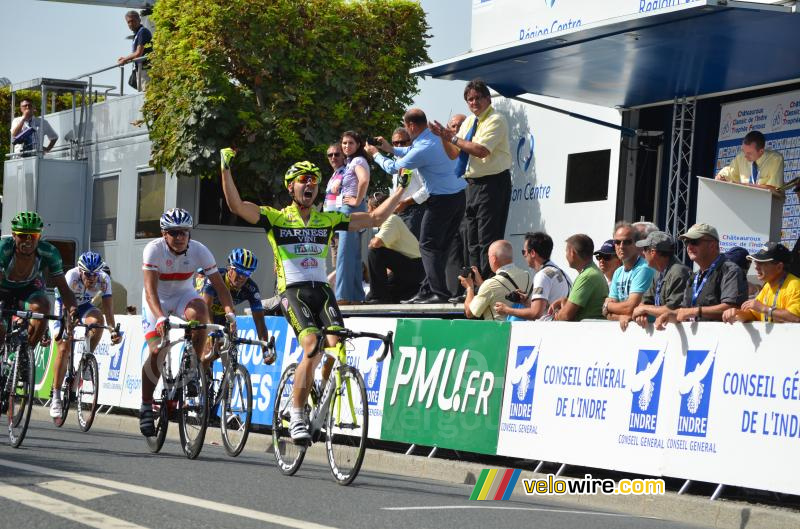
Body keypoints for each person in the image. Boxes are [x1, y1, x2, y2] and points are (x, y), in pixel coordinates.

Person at [219, 149, 407, 441]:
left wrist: (401, 189)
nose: (309, 185)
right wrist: (226, 169)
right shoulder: (276, 218)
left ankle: (317, 390)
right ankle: (295, 414)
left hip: (322, 291)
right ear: (290, 187)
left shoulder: (327, 219)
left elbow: (374, 217)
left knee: (337, 344)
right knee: (312, 346)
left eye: (314, 182)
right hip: (293, 292)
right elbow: (236, 205)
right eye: (303, 180)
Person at [139, 208, 237, 437]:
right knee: (157, 350)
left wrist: (230, 313)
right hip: (157, 300)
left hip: (183, 294)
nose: (180, 237)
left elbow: (220, 287)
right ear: (164, 234)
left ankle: (193, 368)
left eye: (184, 232)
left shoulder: (199, 250)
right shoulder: (153, 250)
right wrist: (161, 317)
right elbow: (150, 290)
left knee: (201, 313)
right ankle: (145, 405)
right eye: (174, 233)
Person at [365, 108, 466, 304]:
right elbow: (408, 151)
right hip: (458, 198)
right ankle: (430, 289)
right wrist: (390, 149)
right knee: (439, 247)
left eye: (405, 126)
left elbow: (394, 167)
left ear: (411, 125)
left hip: (441, 201)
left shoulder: (422, 148)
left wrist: (376, 154)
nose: (405, 130)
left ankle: (436, 292)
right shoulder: (433, 137)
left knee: (427, 245)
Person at [429, 79, 512, 280]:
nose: (473, 102)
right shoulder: (468, 122)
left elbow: (481, 150)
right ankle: (475, 283)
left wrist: (453, 138)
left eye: (477, 98)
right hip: (471, 185)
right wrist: (443, 137)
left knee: (487, 238)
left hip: (492, 183)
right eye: (469, 99)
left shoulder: (496, 119)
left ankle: (488, 283)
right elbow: (454, 154)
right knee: (471, 240)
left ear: (487, 98)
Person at [50, 252, 122, 418]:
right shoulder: (71, 276)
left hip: (84, 306)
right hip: (65, 306)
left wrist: (113, 330)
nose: (91, 278)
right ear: (80, 271)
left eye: (95, 274)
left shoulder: (104, 280)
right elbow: (63, 305)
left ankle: (87, 357)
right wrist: (67, 327)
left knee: (98, 321)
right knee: (63, 348)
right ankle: (55, 396)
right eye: (88, 275)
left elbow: (108, 310)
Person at [0, 212, 77, 348]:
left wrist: (73, 310)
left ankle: (26, 354)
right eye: (23, 235)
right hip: (3, 288)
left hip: (28, 289)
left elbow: (64, 289)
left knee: (43, 307)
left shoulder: (49, 252)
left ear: (39, 236)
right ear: (13, 235)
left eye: (33, 236)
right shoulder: (3, 248)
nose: (28, 241)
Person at [654, 223, 747, 329]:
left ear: (712, 245)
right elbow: (685, 311)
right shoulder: (694, 277)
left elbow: (731, 308)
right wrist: (670, 315)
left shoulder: (730, 270)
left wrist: (695, 311)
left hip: (722, 340)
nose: (689, 246)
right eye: (687, 242)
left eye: (694, 242)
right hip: (698, 341)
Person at [495, 232, 570, 321]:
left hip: (549, 331)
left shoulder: (542, 276)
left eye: (524, 252)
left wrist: (507, 310)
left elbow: (536, 313)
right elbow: (545, 309)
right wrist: (526, 301)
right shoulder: (560, 272)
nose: (524, 255)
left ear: (533, 253)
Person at [365, 192, 425, 304]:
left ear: (376, 208)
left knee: (374, 252)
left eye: (369, 208)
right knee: (370, 297)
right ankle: (408, 292)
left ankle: (379, 297)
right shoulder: (390, 220)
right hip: (411, 271)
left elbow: (376, 244)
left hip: (414, 268)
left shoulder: (391, 219)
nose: (368, 212)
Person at [723, 242, 800, 323]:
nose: (756, 267)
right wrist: (736, 313)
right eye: (756, 262)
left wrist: (764, 309)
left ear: (779, 267)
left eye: (762, 263)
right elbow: (753, 315)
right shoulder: (768, 286)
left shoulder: (796, 285)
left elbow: (796, 317)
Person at [335, 131, 371, 304]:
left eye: (350, 143)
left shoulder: (357, 161)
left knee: (344, 254)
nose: (346, 146)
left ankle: (342, 296)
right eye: (344, 143)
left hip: (350, 209)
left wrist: (357, 200)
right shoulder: (350, 162)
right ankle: (356, 296)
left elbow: (364, 180)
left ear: (358, 145)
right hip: (350, 208)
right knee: (353, 255)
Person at [628, 232, 690, 330]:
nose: (643, 253)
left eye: (645, 249)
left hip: (682, 335)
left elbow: (671, 310)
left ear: (653, 252)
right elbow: (644, 303)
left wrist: (644, 310)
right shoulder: (658, 272)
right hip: (667, 332)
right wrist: (642, 314)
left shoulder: (678, 272)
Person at [459, 240, 530, 321]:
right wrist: (481, 284)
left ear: (493, 259)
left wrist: (469, 288)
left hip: (498, 332)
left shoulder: (489, 285)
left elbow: (469, 312)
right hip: (522, 330)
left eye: (488, 256)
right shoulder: (527, 275)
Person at [603, 222, 656, 322]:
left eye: (627, 242)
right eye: (617, 242)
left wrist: (608, 305)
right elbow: (606, 313)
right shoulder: (618, 272)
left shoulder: (644, 268)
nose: (621, 246)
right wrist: (619, 317)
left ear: (637, 244)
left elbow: (629, 308)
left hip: (650, 332)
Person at [548, 234, 608, 321]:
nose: (566, 255)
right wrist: (565, 301)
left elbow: (566, 315)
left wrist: (556, 315)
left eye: (566, 251)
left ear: (572, 252)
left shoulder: (587, 276)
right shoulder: (591, 272)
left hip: (587, 331)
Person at [389, 128, 429, 239]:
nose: (399, 145)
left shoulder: (416, 161)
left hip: (416, 209)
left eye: (403, 142)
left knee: (413, 249)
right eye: (395, 143)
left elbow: (428, 187)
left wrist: (407, 202)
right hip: (400, 211)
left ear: (410, 141)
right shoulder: (396, 162)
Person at [715, 131, 784, 190]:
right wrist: (721, 177)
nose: (745, 156)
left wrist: (742, 186)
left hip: (767, 202)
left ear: (761, 151)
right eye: (744, 151)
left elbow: (773, 189)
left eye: (749, 153)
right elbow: (729, 172)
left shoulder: (775, 159)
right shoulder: (740, 157)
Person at [118, 10, 153, 91]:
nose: (131, 24)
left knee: (145, 95)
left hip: (145, 69)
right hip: (140, 70)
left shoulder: (143, 32)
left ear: (139, 20)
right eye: (128, 22)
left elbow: (138, 53)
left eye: (133, 21)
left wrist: (125, 59)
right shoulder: (137, 34)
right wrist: (125, 58)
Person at [323, 143, 346, 212]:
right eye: (330, 155)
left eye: (336, 154)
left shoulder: (345, 171)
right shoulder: (335, 174)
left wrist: (339, 211)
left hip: (338, 216)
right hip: (330, 217)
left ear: (343, 156)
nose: (333, 157)